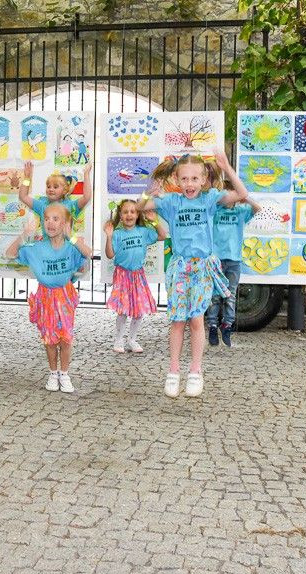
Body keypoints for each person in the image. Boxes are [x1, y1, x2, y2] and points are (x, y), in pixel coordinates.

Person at [138, 150, 248, 397]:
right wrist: (151, 189)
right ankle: (173, 371)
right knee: (178, 320)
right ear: (177, 180)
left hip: (202, 267)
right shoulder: (172, 202)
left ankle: (195, 371)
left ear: (203, 179)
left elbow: (241, 194)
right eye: (184, 179)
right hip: (179, 267)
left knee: (197, 320)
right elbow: (141, 207)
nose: (189, 184)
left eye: (194, 179)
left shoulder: (209, 200)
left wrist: (227, 168)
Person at [5, 202, 93, 393]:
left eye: (55, 219)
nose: (50, 223)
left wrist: (72, 236)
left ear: (65, 223)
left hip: (64, 294)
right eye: (46, 219)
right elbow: (9, 254)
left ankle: (65, 373)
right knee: (49, 337)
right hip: (45, 296)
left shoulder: (72, 247)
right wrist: (23, 236)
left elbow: (89, 253)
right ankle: (53, 373)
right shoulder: (36, 247)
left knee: (65, 337)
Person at [103, 198, 167, 353]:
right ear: (120, 215)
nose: (129, 215)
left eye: (132, 211)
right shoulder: (117, 234)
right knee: (123, 310)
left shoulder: (143, 232)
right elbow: (110, 255)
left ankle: (132, 339)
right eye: (125, 212)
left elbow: (162, 236)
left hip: (138, 276)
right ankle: (118, 339)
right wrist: (109, 237)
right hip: (122, 276)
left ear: (138, 214)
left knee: (138, 311)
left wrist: (155, 221)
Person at [207, 193, 262, 347]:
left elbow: (258, 209)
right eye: (224, 196)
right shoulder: (215, 210)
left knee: (230, 295)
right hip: (215, 260)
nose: (228, 200)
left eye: (231, 196)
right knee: (215, 295)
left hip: (234, 261)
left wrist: (245, 198)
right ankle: (212, 326)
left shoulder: (241, 211)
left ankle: (227, 325)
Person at [12, 161, 92, 237]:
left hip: (66, 248)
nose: (51, 189)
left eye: (55, 187)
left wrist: (86, 174)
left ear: (64, 190)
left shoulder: (71, 206)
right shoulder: (42, 205)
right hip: (46, 248)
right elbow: (23, 196)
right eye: (48, 186)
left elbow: (86, 197)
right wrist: (27, 178)